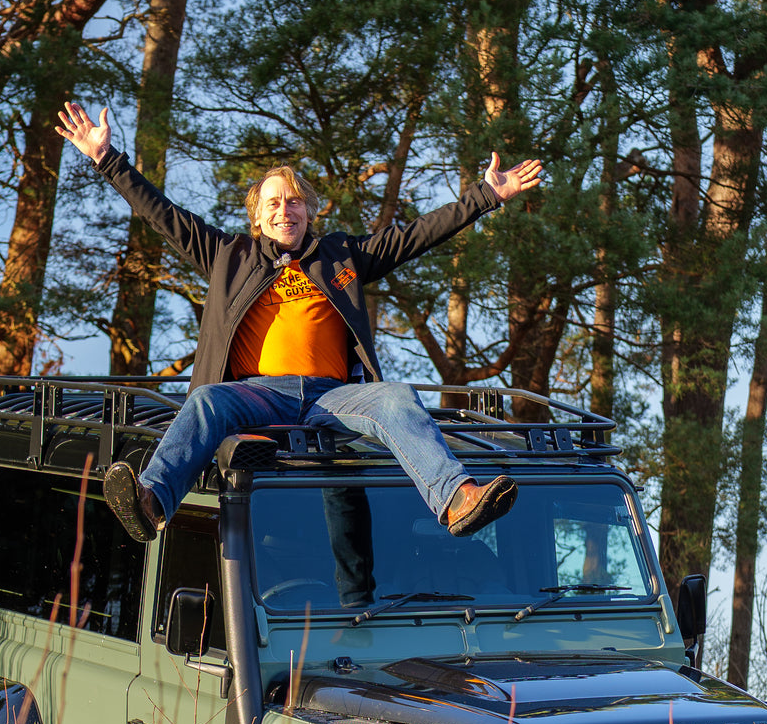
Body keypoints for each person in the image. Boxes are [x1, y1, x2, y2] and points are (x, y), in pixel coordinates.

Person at [56, 101, 543, 544]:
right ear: (258, 218)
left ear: (310, 211)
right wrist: (107, 158)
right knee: (205, 400)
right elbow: (163, 214)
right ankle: (150, 501)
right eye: (273, 202)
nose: (284, 209)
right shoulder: (230, 256)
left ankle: (457, 498)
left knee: (396, 396)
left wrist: (486, 195)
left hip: (332, 395)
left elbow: (415, 235)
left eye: (293, 201)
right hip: (258, 393)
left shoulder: (342, 256)